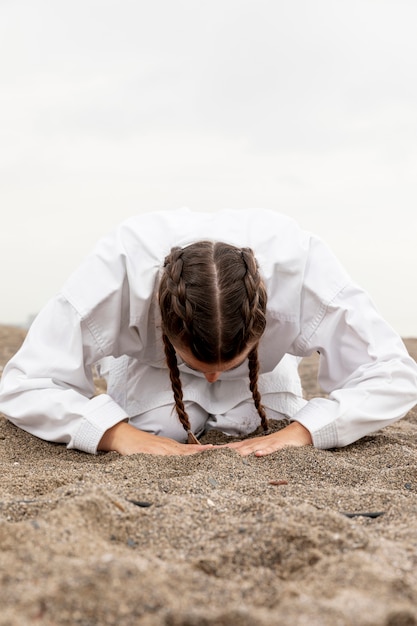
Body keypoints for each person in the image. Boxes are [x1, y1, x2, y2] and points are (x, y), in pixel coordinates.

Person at [0, 208, 416, 457]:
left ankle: (258, 385)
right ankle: (157, 390)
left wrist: (304, 431)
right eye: (198, 363)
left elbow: (395, 376)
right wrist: (116, 434)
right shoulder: (116, 271)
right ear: (163, 321)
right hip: (152, 368)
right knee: (161, 428)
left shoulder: (305, 270)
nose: (213, 375)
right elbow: (23, 384)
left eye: (226, 365)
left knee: (259, 423)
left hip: (265, 373)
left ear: (264, 324)